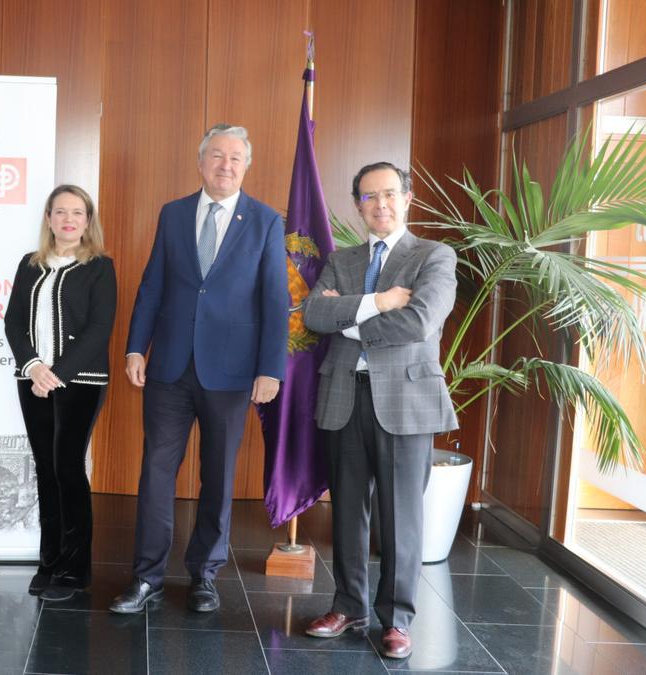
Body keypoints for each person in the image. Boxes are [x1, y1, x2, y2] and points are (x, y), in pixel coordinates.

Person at [110, 124, 288, 614]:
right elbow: (152, 285)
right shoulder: (172, 214)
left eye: (235, 158)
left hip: (231, 373)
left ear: (246, 165)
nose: (225, 165)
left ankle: (205, 575)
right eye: (216, 155)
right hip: (168, 366)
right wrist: (134, 348)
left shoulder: (267, 221)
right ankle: (146, 578)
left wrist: (270, 368)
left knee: (218, 476)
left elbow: (276, 300)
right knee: (156, 472)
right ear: (200, 161)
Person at [301, 162, 458, 659]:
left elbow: (418, 322)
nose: (380, 205)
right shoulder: (342, 259)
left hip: (405, 401)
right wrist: (379, 301)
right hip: (345, 396)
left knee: (400, 515)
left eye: (389, 194)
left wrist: (349, 316)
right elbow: (312, 314)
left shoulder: (433, 256)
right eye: (369, 197)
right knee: (348, 510)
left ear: (407, 198)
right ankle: (348, 606)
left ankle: (397, 620)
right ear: (357, 205)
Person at [5, 185, 117, 602]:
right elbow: (14, 322)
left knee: (68, 467)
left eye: (77, 213)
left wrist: (57, 373)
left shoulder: (100, 267)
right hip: (31, 378)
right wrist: (34, 366)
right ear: (48, 218)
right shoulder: (29, 265)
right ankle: (49, 561)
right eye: (60, 212)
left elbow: (99, 329)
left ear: (88, 220)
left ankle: (75, 568)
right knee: (45, 469)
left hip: (81, 381)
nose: (69, 220)